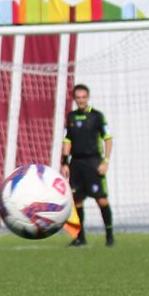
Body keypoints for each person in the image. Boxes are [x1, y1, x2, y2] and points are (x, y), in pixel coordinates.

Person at [61, 84, 114, 246]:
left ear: (88, 97)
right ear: (75, 99)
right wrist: (65, 163)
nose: (81, 100)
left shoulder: (97, 116)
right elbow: (67, 140)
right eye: (78, 98)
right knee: (76, 200)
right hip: (76, 163)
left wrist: (105, 161)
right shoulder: (71, 117)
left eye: (84, 97)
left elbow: (108, 139)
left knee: (101, 200)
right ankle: (80, 238)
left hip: (93, 162)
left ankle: (109, 237)